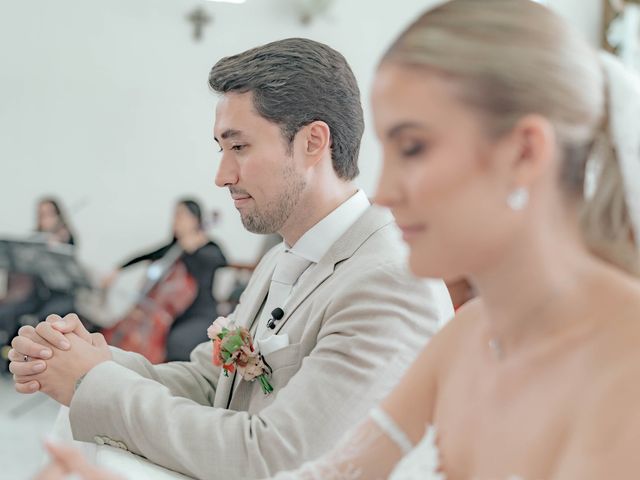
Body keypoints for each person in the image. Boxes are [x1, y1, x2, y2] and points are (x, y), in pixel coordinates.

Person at [13, 37, 451, 479]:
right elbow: (211, 384)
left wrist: (95, 385)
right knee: (77, 431)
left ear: (312, 143)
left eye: (239, 147)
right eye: (221, 150)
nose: (222, 176)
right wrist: (92, 360)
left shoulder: (391, 279)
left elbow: (276, 457)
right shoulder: (279, 258)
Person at [101, 198, 227, 361]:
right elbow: (147, 255)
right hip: (169, 313)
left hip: (197, 313)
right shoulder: (175, 248)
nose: (175, 221)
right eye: (174, 216)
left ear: (195, 220)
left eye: (180, 216)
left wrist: (196, 247)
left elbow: (220, 261)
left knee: (176, 344)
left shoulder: (208, 246)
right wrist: (117, 270)